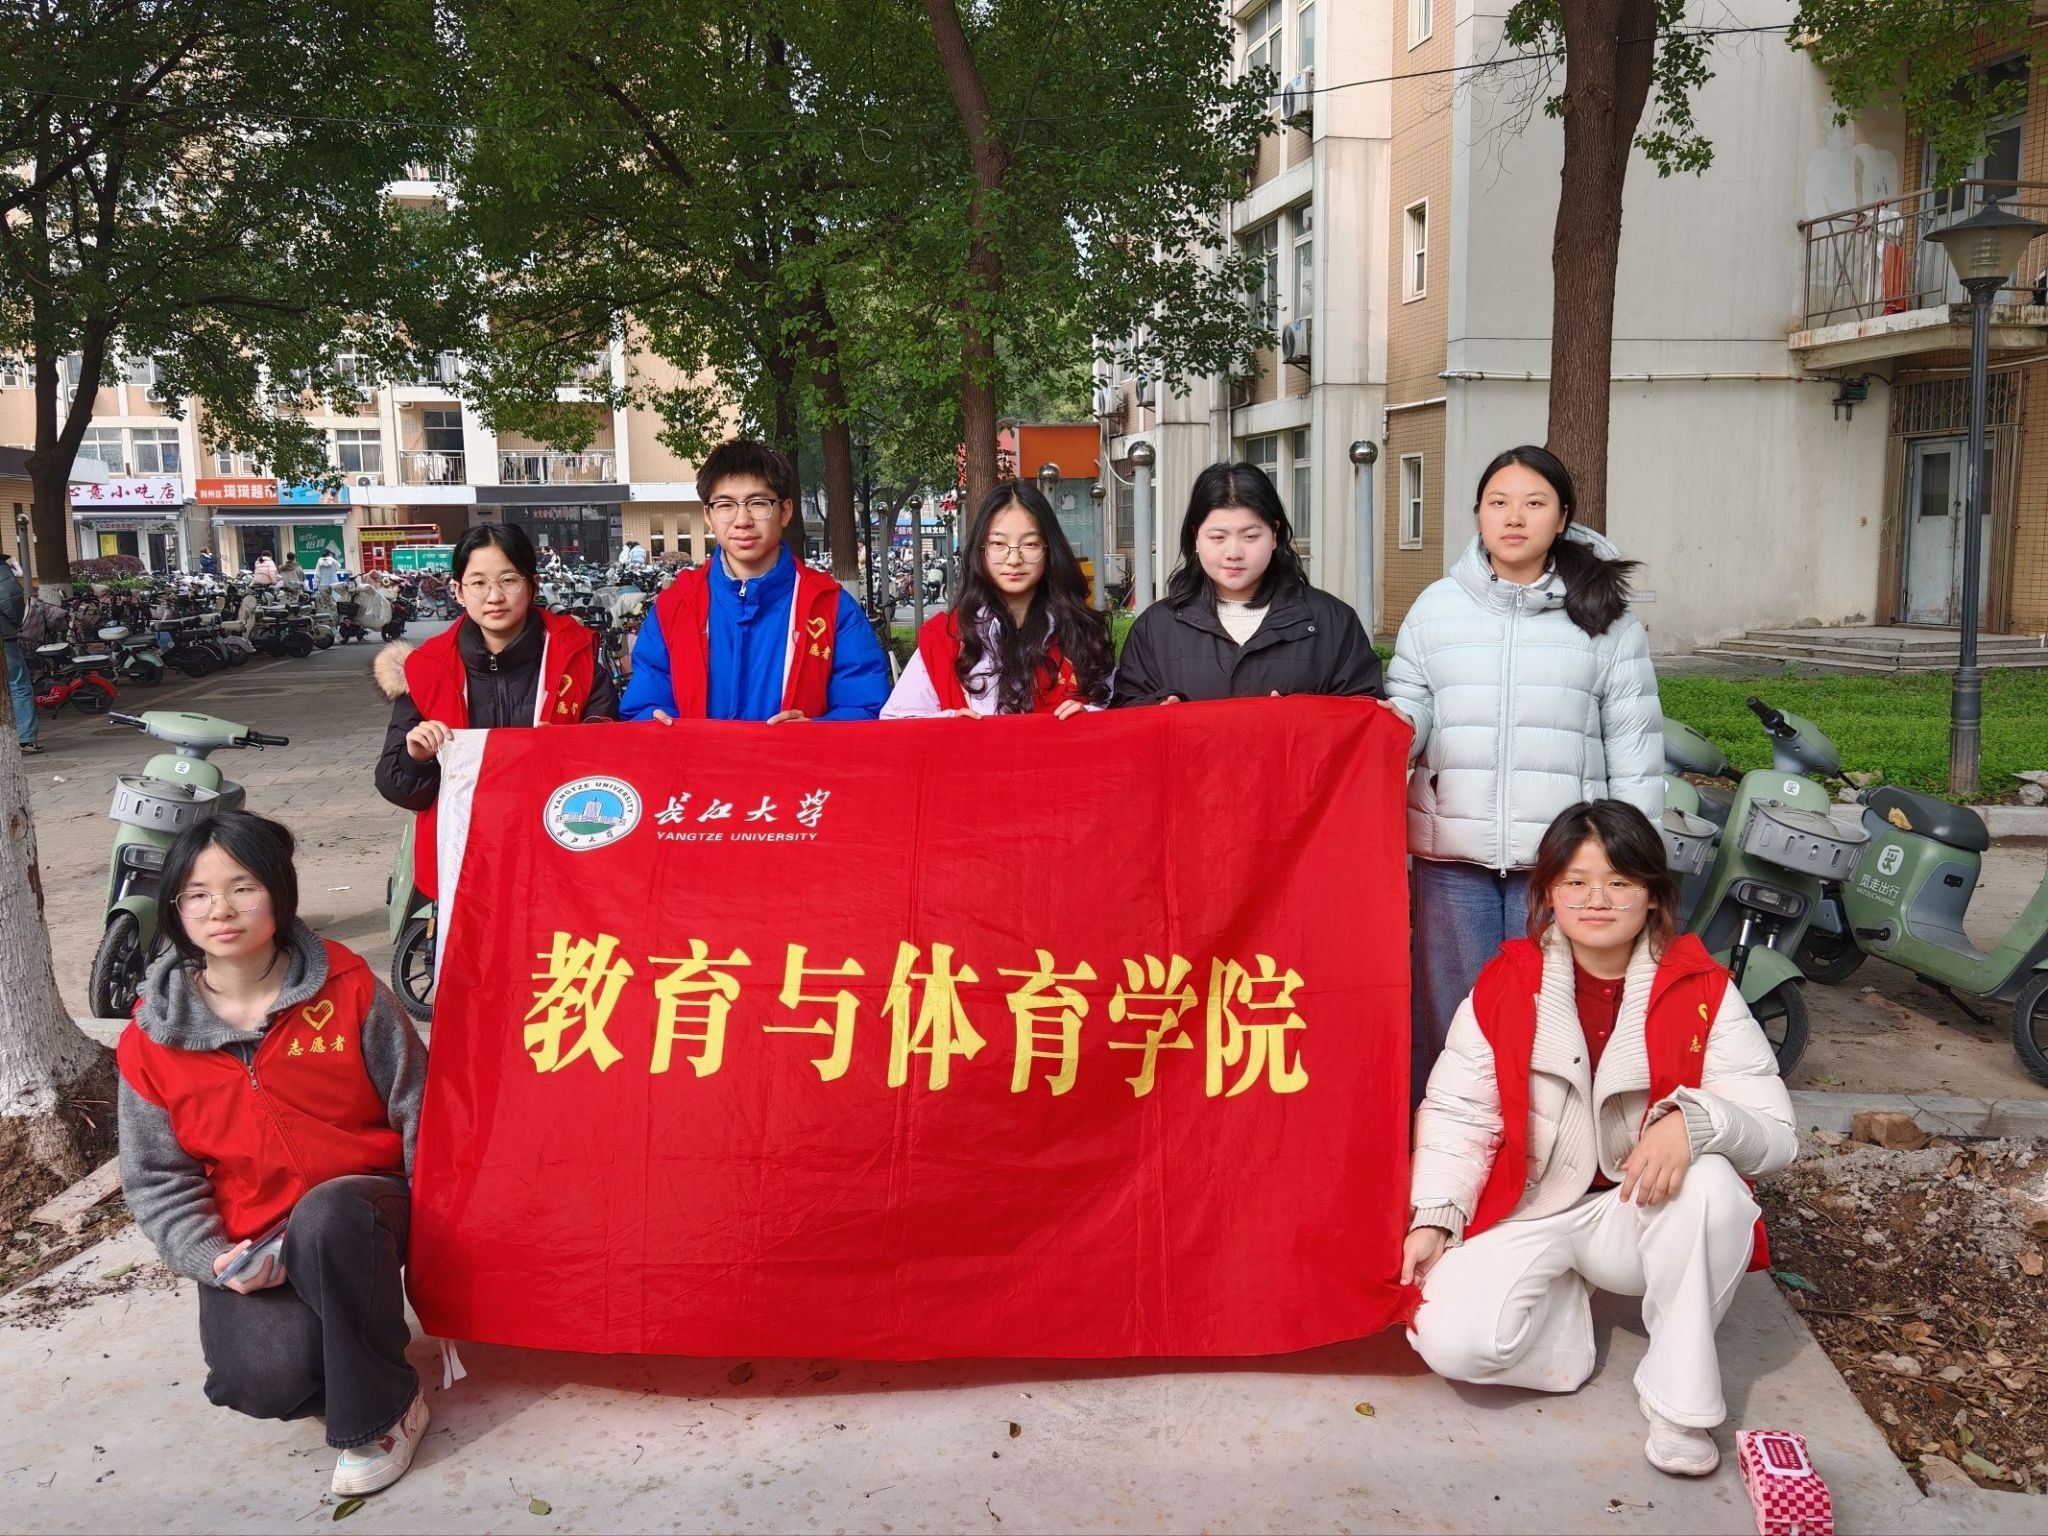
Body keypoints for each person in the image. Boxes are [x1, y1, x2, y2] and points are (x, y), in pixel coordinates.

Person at [1404, 799, 1794, 1478]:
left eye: (1619, 881)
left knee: (1712, 1185)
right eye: (1576, 881)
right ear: (1549, 893)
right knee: (1453, 1345)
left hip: (1638, 1212)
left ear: (1653, 895)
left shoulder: (1702, 988)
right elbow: (1461, 1110)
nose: (1596, 900)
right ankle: (1565, 1320)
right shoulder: (1506, 983)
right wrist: (1436, 1213)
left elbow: (1778, 1135)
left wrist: (1695, 1122)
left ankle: (1679, 1403)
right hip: (1533, 1204)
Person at [115, 811, 432, 1496]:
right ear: (175, 908)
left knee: (329, 1216)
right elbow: (157, 1179)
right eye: (197, 894)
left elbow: (420, 1109)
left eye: (243, 887)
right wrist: (212, 1258)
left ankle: (385, 1413)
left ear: (279, 892)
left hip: (368, 1209)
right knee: (258, 1382)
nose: (220, 910)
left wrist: (450, 1234)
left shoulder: (348, 989)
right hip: (257, 1239)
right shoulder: (151, 1039)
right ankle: (344, 1344)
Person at [1386, 446, 1662, 1101]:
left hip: (1565, 862)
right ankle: (1449, 1145)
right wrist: (1385, 731)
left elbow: (1635, 745)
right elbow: (1407, 711)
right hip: (1452, 860)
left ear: (1562, 517)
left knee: (1557, 1018)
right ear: (1478, 515)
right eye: (1499, 503)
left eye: (1534, 503)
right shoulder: (1436, 608)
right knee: (1455, 1014)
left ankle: (1549, 1149)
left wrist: (1636, 864)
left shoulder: (1605, 616)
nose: (1515, 518)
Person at [374, 523, 616, 900]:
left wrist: (572, 751)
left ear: (532, 584)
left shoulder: (579, 660)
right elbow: (398, 787)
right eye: (478, 583)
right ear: (458, 590)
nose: (494, 596)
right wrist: (416, 759)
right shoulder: (427, 669)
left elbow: (613, 769)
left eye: (508, 580)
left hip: (559, 867)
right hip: (463, 867)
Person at [619, 439, 890, 723]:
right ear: (708, 515)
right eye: (725, 505)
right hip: (697, 755)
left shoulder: (830, 606)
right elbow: (643, 705)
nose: (742, 520)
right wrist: (653, 723)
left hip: (797, 755)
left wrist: (815, 730)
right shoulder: (675, 606)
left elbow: (865, 707)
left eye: (758, 503)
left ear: (785, 511)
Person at [1111, 461, 1385, 705]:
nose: (1233, 552)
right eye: (1218, 537)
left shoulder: (1332, 622)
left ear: (1274, 534)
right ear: (1196, 537)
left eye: (1250, 536)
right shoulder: (1156, 628)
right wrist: (1157, 709)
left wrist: (1302, 716)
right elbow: (1125, 716)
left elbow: (1364, 715)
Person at [883, 482, 1113, 719]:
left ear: (1049, 550)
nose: (1014, 559)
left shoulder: (1081, 634)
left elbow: (1122, 723)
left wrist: (1091, 718)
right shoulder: (944, 638)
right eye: (998, 544)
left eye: (1030, 544)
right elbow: (895, 724)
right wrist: (947, 724)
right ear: (981, 550)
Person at [0, 553, 38, 755]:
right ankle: (25, 738)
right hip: (4, 637)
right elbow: (12, 600)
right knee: (18, 685)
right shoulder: (1, 570)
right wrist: (14, 624)